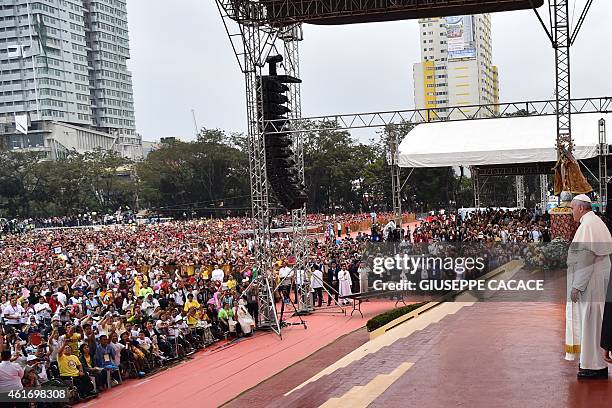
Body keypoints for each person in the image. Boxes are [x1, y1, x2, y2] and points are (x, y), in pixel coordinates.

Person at [565, 194, 612, 379]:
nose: (571, 212)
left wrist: (577, 286)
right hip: (599, 279)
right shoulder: (596, 222)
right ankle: (591, 362)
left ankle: (594, 365)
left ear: (581, 208)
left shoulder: (587, 225)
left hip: (591, 282)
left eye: (572, 208)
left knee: (591, 323)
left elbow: (585, 259)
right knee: (596, 322)